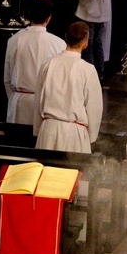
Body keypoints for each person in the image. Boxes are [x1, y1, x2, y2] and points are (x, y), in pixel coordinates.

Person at [33, 21, 103, 154]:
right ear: (85, 43)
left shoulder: (48, 64)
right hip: (74, 135)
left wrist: (38, 130)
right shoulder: (87, 69)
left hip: (48, 130)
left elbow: (38, 99)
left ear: (66, 37)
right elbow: (94, 108)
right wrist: (90, 138)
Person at [3, 0, 65, 125]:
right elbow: (60, 82)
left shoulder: (14, 40)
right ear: (49, 18)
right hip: (45, 104)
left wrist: (14, 98)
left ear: (29, 15)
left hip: (18, 102)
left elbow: (7, 79)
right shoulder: (58, 44)